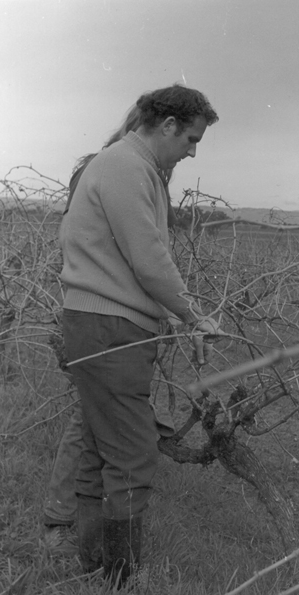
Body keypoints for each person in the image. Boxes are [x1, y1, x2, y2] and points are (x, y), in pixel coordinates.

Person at [59, 84, 223, 586]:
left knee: (97, 445)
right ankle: (120, 578)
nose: (193, 150)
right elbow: (149, 259)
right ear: (168, 126)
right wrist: (193, 315)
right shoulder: (128, 167)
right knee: (132, 453)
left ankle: (91, 564)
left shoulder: (123, 164)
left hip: (96, 324)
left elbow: (134, 263)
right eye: (191, 138)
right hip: (110, 330)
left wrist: (172, 316)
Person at [42, 101, 177, 555]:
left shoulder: (126, 167)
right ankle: (96, 555)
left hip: (101, 315)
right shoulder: (120, 167)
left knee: (96, 429)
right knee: (110, 437)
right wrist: (179, 308)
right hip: (108, 320)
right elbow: (141, 253)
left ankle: (84, 547)